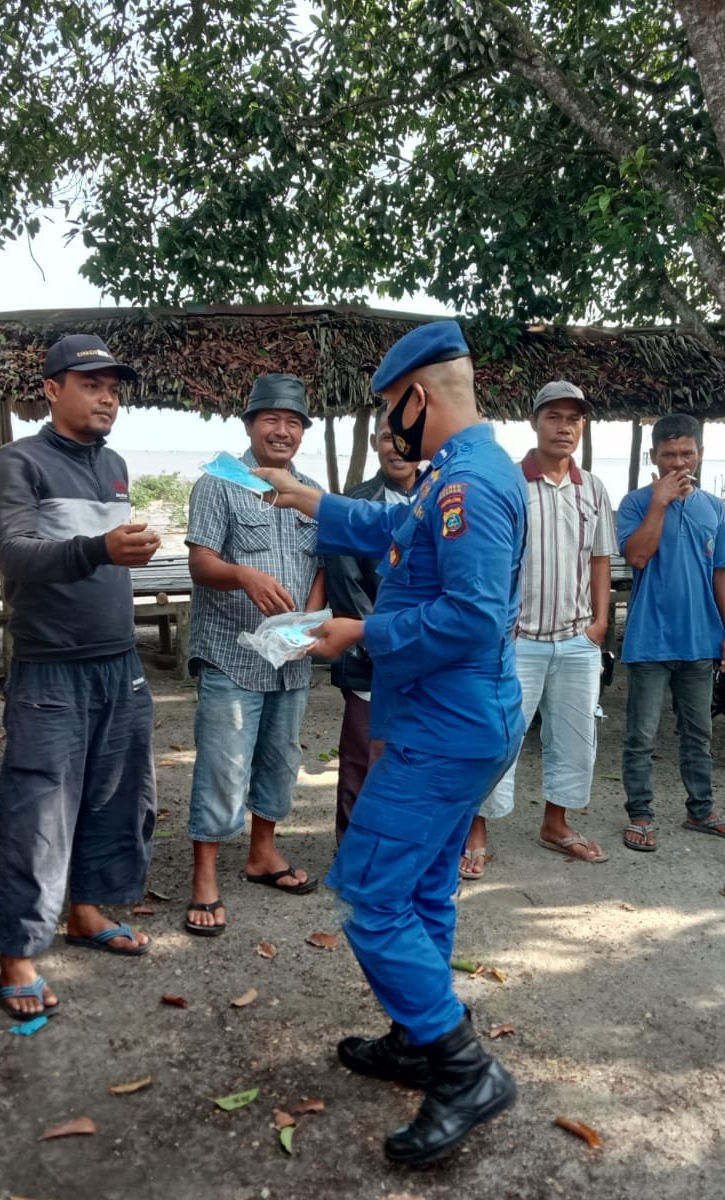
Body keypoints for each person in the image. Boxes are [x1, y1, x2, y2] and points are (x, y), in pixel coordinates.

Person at [253, 320, 526, 1166]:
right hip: (455, 720)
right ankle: (418, 1036)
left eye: (388, 409)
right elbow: (395, 528)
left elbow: (473, 618)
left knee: (372, 898)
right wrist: (313, 501)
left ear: (417, 396)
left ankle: (463, 1067)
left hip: (447, 726)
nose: (388, 425)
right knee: (426, 888)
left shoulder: (470, 486)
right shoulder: (456, 474)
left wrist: (357, 632)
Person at [0, 333, 159, 1017]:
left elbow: (102, 557)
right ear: (52, 389)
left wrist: (123, 550)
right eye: (91, 383)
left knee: (116, 798)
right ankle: (18, 953)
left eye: (114, 385)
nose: (108, 395)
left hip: (119, 660)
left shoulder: (113, 464)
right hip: (51, 668)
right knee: (38, 810)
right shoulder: (17, 463)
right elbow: (18, 553)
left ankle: (85, 911)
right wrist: (98, 548)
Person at [182, 373, 326, 936]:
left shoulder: (309, 490)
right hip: (230, 653)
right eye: (272, 419)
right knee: (223, 765)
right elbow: (200, 563)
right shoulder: (219, 483)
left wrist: (308, 624)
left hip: (291, 657)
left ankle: (262, 853)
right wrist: (242, 574)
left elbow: (321, 567)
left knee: (280, 760)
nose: (282, 430)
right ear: (250, 425)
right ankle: (204, 878)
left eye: (293, 422)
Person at [461, 380, 614, 877]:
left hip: (576, 638)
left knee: (575, 739)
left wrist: (600, 623)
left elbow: (600, 560)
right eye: (554, 416)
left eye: (574, 418)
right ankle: (476, 832)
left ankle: (557, 823)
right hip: (516, 639)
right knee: (497, 736)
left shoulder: (592, 488)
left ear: (582, 427)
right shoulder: (506, 482)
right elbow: (484, 558)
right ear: (533, 421)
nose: (564, 426)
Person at [616, 414, 725, 853]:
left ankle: (702, 809)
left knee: (698, 733)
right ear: (654, 456)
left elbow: (723, 572)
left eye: (687, 453)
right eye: (669, 455)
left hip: (700, 639)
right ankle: (641, 814)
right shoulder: (635, 503)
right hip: (649, 639)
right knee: (641, 734)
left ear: (700, 455)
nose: (679, 462)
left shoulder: (714, 507)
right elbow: (637, 556)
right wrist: (660, 502)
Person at [324, 416, 418, 842]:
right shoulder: (355, 503)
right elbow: (345, 584)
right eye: (386, 438)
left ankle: (409, 850)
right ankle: (353, 850)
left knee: (419, 759)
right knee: (362, 759)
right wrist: (381, 640)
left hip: (430, 654)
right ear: (374, 442)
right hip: (371, 656)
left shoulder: (445, 498)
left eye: (405, 438)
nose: (396, 447)